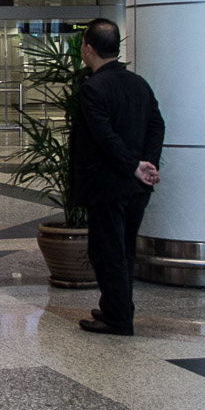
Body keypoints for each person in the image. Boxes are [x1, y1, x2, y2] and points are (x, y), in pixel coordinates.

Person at [72, 19, 165, 336]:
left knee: (107, 251)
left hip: (108, 184)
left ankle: (118, 319)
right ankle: (117, 306)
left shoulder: (93, 88)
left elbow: (103, 136)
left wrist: (131, 165)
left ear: (88, 49)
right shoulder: (138, 83)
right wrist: (147, 163)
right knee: (124, 248)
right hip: (138, 186)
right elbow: (157, 124)